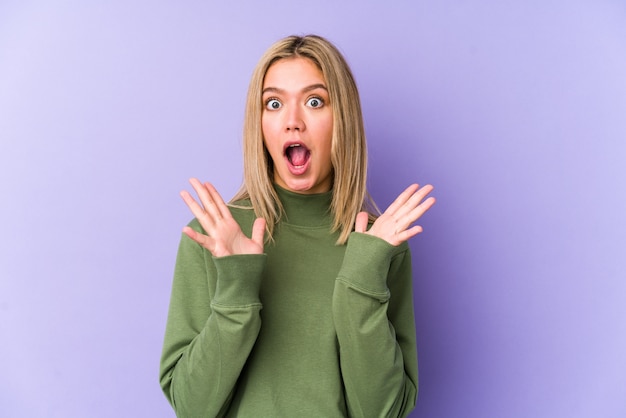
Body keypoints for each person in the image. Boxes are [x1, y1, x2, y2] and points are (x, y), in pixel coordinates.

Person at [159, 34, 435, 417]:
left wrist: (363, 275)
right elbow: (192, 407)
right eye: (273, 104)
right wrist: (236, 287)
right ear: (259, 124)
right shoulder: (215, 234)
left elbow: (382, 412)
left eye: (314, 101)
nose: (292, 122)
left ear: (344, 119)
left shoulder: (380, 243)